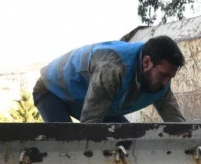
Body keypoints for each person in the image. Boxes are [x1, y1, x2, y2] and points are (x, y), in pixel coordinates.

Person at [34, 37, 185, 123]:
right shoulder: (113, 68)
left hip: (93, 100)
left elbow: (178, 126)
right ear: (146, 63)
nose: (166, 83)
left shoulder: (161, 77)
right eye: (163, 75)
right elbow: (90, 124)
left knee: (130, 140)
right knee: (68, 145)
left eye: (170, 77)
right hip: (51, 91)